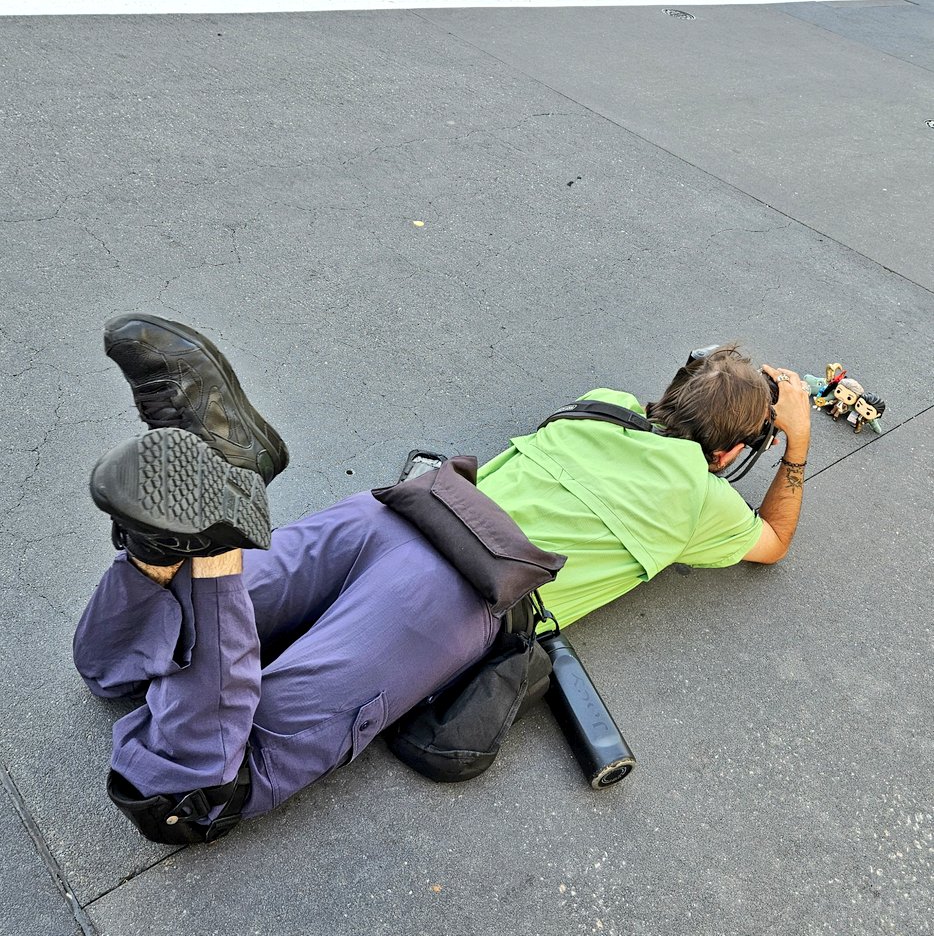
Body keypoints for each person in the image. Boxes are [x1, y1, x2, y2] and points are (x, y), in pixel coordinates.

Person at [73, 315, 811, 844]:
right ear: (731, 454)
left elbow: (672, 403)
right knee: (192, 794)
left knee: (114, 661)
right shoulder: (705, 501)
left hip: (393, 514)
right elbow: (774, 540)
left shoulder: (607, 407)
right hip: (448, 597)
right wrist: (796, 446)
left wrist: (722, 379)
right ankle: (213, 543)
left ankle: (162, 542)